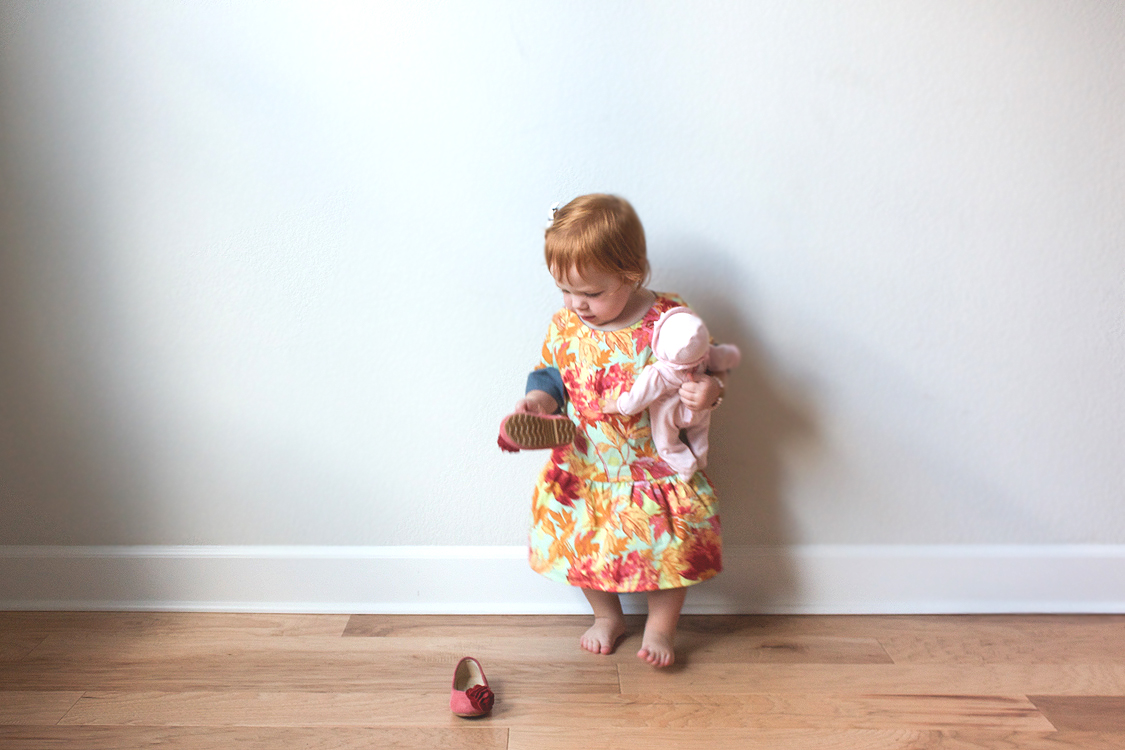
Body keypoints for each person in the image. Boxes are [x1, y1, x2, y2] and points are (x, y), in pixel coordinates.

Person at [511, 194, 728, 668]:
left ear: (632, 274)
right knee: (582, 544)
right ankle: (607, 617)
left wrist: (707, 393)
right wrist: (538, 402)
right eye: (565, 291)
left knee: (668, 552)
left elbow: (703, 368)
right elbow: (551, 374)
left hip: (652, 466)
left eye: (591, 293)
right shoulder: (565, 326)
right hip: (588, 463)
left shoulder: (668, 320)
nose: (577, 305)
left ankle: (660, 628)